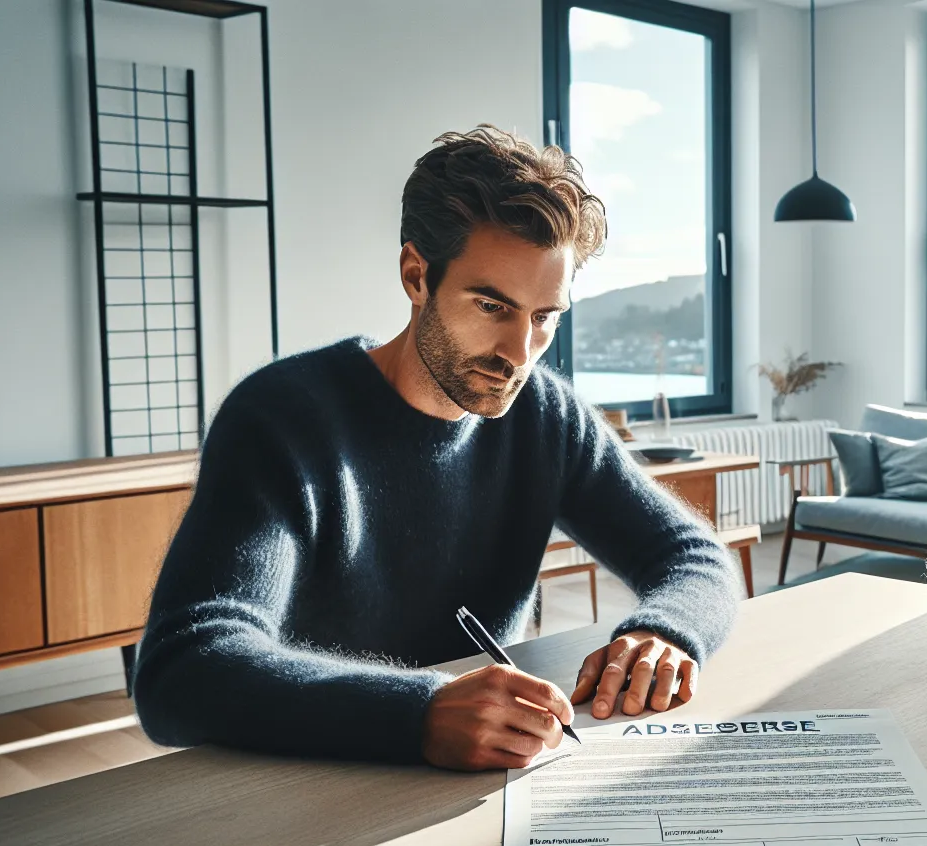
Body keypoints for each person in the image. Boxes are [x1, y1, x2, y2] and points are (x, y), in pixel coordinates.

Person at [132, 126, 743, 769]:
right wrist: (418, 712)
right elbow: (184, 669)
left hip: (485, 784)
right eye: (491, 306)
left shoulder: (547, 416)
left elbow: (691, 553)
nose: (518, 354)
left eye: (544, 318)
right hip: (304, 776)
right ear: (416, 275)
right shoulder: (283, 419)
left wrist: (665, 633)